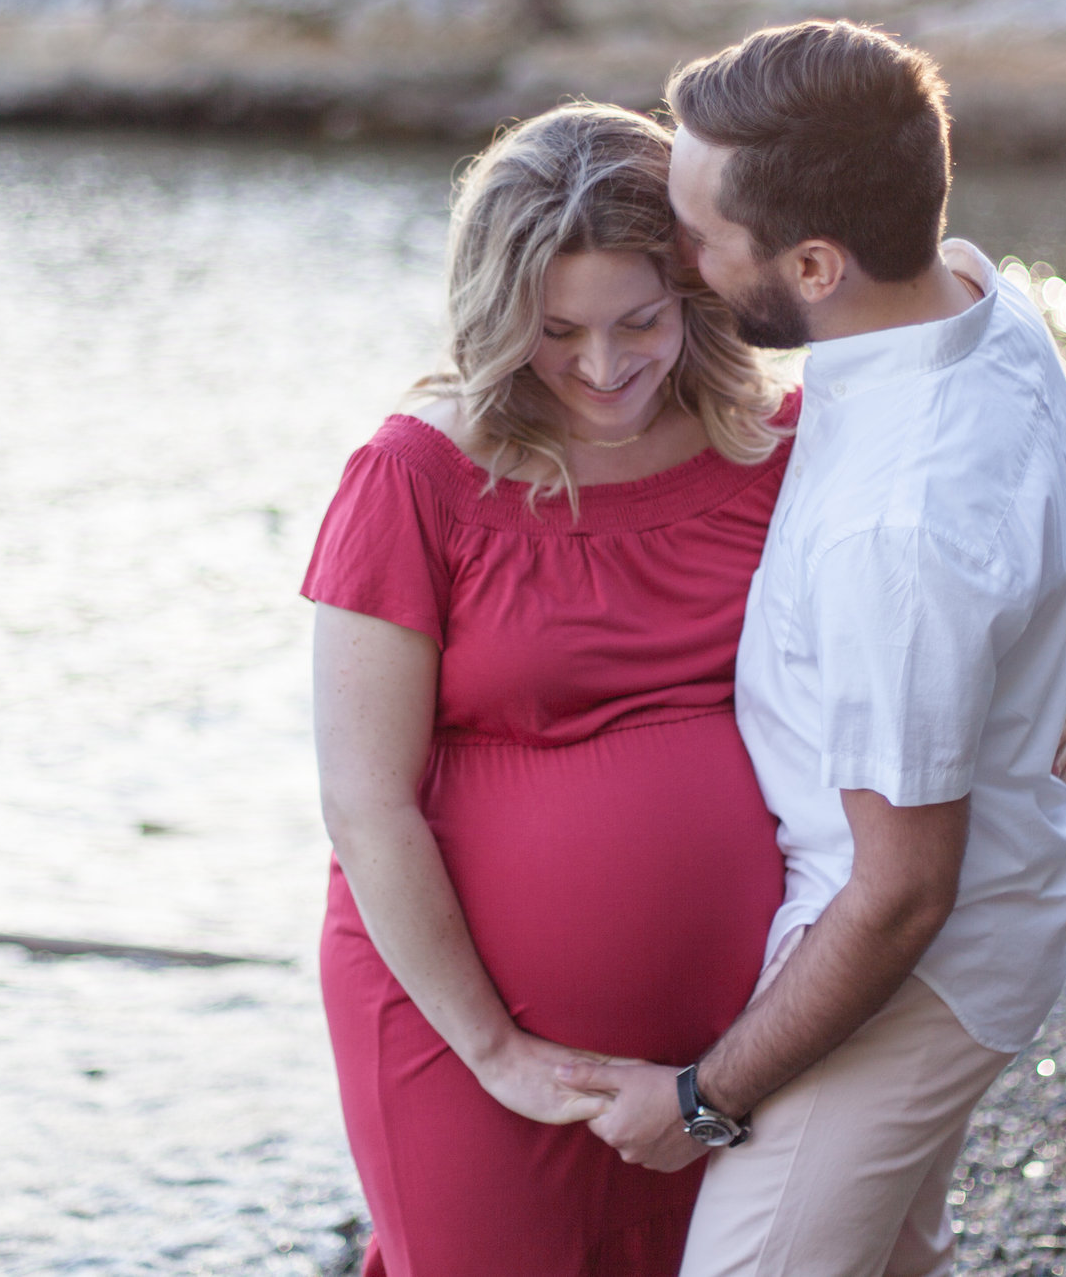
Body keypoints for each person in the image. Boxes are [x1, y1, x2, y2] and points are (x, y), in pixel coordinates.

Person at [563, 19, 1066, 1277]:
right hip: (1003, 906)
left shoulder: (895, 526)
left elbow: (901, 893)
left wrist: (700, 1098)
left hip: (916, 976)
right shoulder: (975, 292)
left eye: (698, 235)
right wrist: (1056, 654)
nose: (676, 259)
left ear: (812, 262)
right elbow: (1029, 525)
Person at [304, 102, 801, 1276]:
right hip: (462, 1030)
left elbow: (943, 588)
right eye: (555, 329)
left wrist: (1053, 664)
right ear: (494, 310)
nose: (603, 365)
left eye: (640, 320)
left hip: (739, 1038)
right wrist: (492, 1050)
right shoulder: (414, 477)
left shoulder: (778, 445)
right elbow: (363, 801)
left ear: (697, 288)